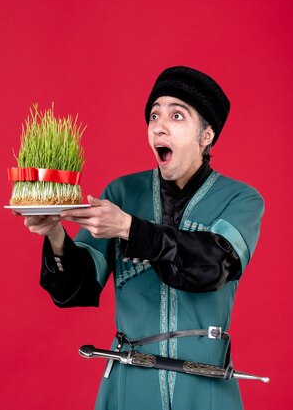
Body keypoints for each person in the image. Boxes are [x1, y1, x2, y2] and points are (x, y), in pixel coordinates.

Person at [22, 66, 264, 410]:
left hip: (205, 387)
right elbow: (76, 288)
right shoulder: (121, 193)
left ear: (207, 135)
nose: (159, 126)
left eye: (177, 115)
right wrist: (55, 234)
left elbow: (215, 263)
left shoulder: (240, 199)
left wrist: (129, 229)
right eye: (154, 115)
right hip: (128, 386)